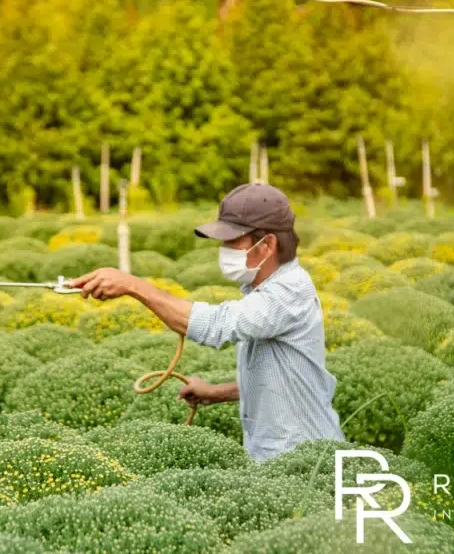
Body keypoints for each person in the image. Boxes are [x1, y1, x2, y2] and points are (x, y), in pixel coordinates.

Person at [66, 183, 344, 462]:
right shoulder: (264, 290)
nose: (224, 250)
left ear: (268, 244)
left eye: (233, 241)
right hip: (278, 456)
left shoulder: (288, 291)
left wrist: (132, 285)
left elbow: (215, 326)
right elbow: (281, 378)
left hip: (305, 462)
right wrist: (215, 393)